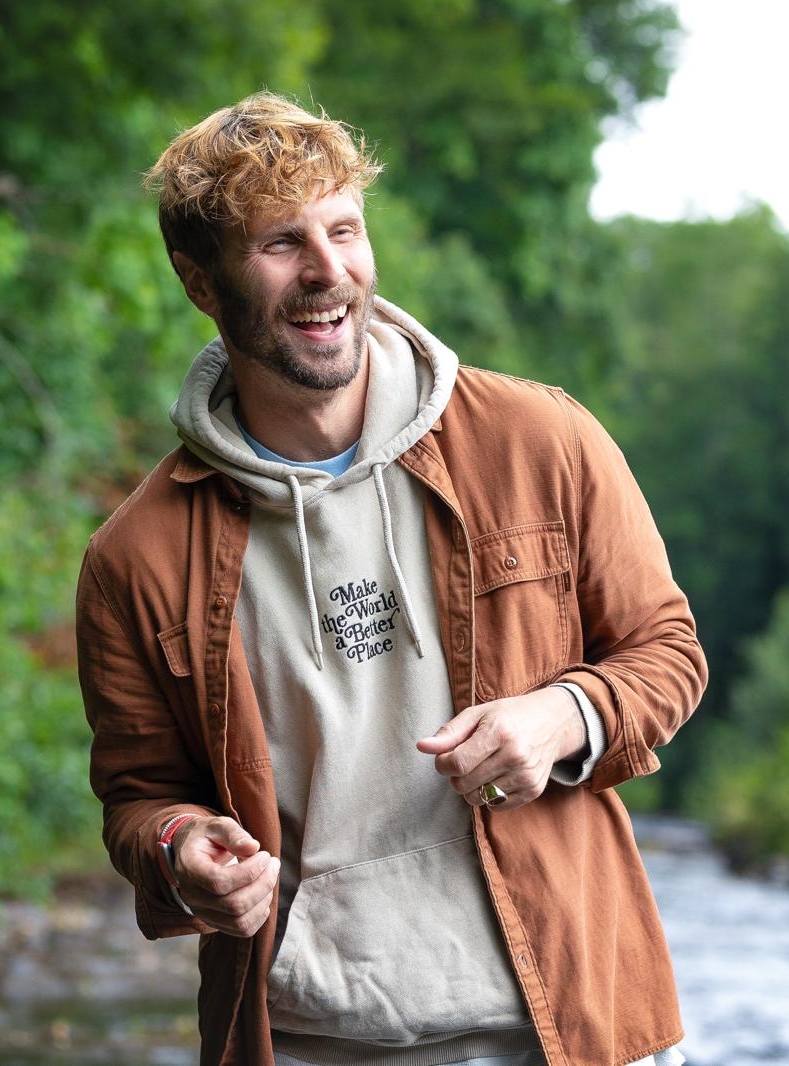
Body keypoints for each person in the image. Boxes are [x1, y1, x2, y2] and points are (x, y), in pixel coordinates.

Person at [76, 91, 707, 1066]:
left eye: (343, 230)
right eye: (281, 242)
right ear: (200, 281)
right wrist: (179, 848)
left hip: (566, 1023)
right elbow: (138, 797)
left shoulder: (540, 439)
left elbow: (667, 653)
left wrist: (562, 717)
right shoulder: (136, 556)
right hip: (306, 1036)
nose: (327, 271)